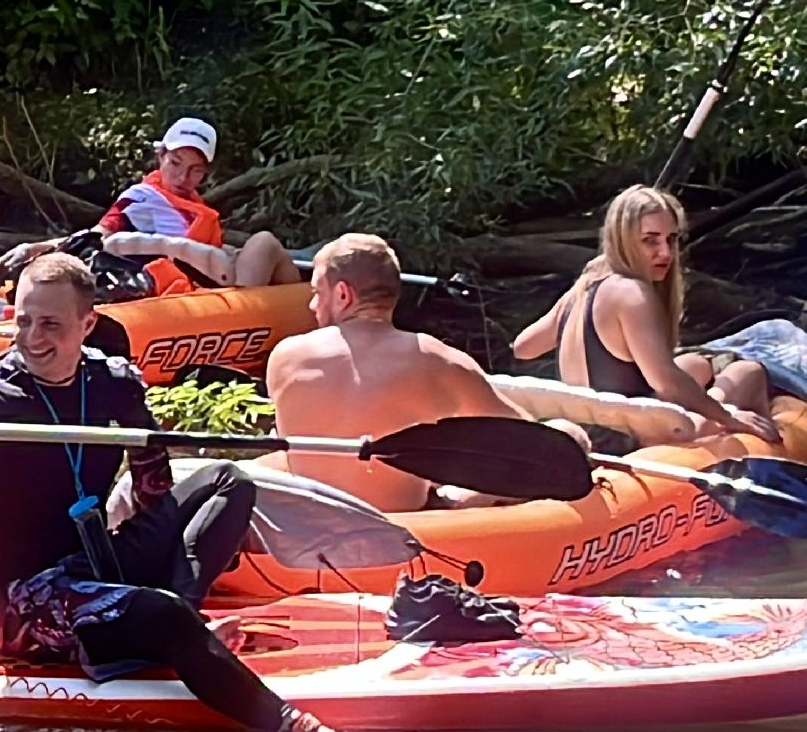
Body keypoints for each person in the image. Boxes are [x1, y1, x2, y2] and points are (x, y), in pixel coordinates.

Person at [0, 253, 419, 732]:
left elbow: (154, 487)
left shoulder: (115, 383)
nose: (32, 338)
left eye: (51, 325)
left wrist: (156, 508)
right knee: (161, 613)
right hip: (25, 600)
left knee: (227, 483)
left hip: (95, 562)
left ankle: (172, 626)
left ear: (86, 323)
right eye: (23, 322)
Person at [262, 233, 584, 513]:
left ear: (343, 294)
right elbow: (533, 441)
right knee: (568, 434)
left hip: (309, 522)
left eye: (318, 293)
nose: (313, 305)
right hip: (405, 520)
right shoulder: (437, 359)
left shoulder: (286, 357)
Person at [511, 185, 778, 442]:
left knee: (694, 364)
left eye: (671, 239)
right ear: (624, 241)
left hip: (598, 430)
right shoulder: (631, 293)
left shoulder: (581, 291)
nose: (666, 252)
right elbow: (666, 384)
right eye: (650, 240)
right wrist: (727, 415)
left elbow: (523, 347)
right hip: (637, 440)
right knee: (747, 373)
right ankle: (775, 450)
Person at [0, 118, 304, 292]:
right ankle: (286, 316)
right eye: (175, 163)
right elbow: (98, 235)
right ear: (161, 157)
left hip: (211, 275)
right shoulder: (141, 199)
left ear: (205, 172)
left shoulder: (189, 201)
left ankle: (295, 312)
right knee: (264, 243)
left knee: (268, 249)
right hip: (201, 285)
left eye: (194, 170)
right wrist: (34, 249)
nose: (182, 176)